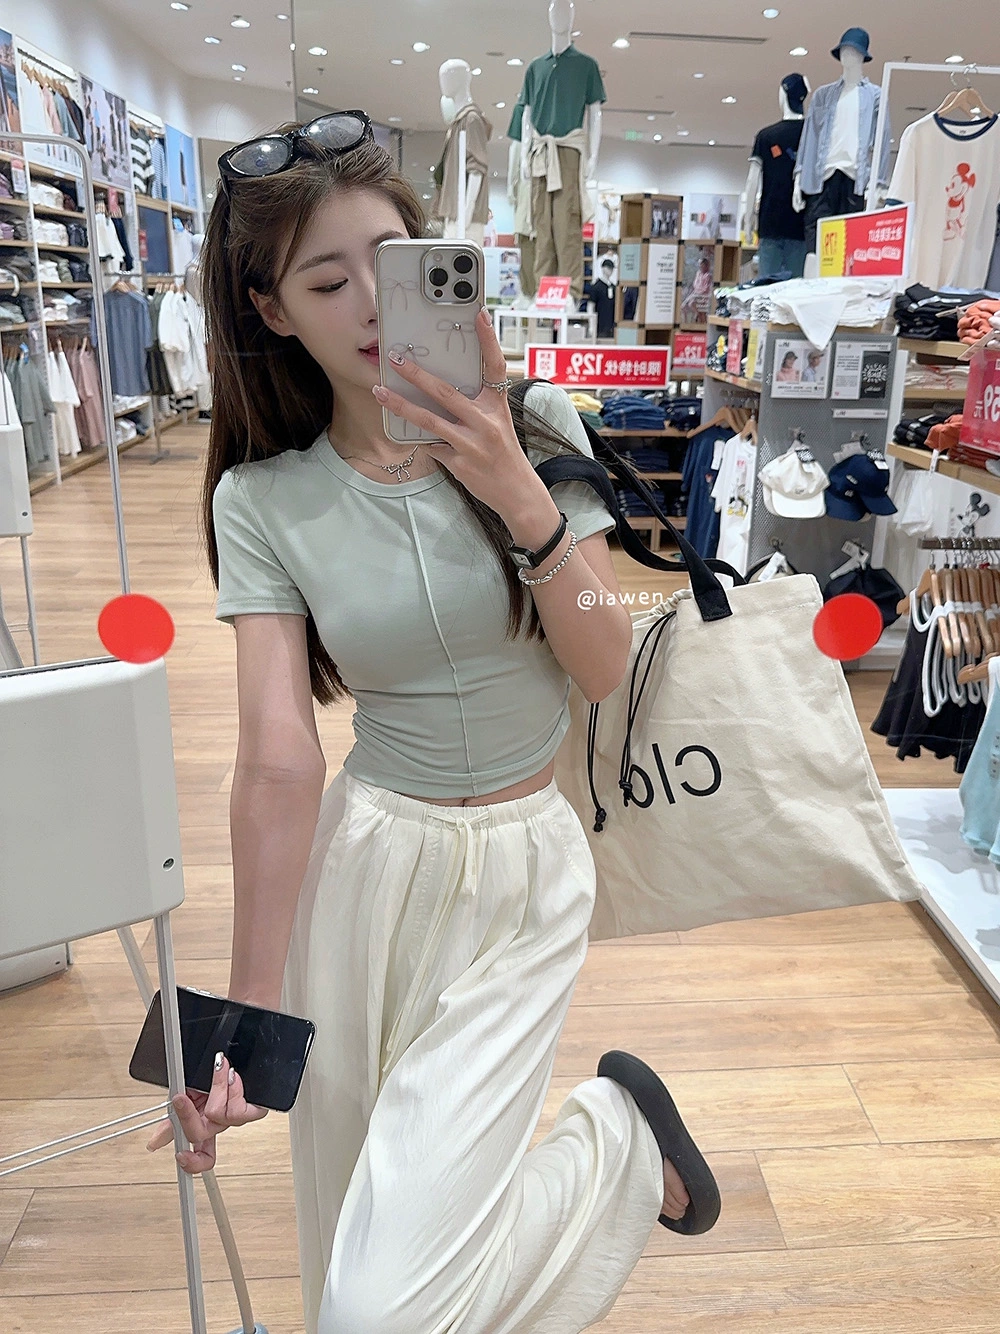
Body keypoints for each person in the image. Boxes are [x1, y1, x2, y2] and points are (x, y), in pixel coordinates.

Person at [143, 112, 718, 1334]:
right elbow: (276, 759)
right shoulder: (263, 500)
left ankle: (615, 1141)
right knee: (350, 1221)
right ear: (271, 310)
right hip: (365, 867)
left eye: (394, 265)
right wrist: (247, 1012)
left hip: (521, 877)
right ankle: (620, 1156)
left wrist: (510, 477)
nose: (369, 304)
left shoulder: (541, 427)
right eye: (326, 281)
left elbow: (604, 662)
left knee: (383, 1305)